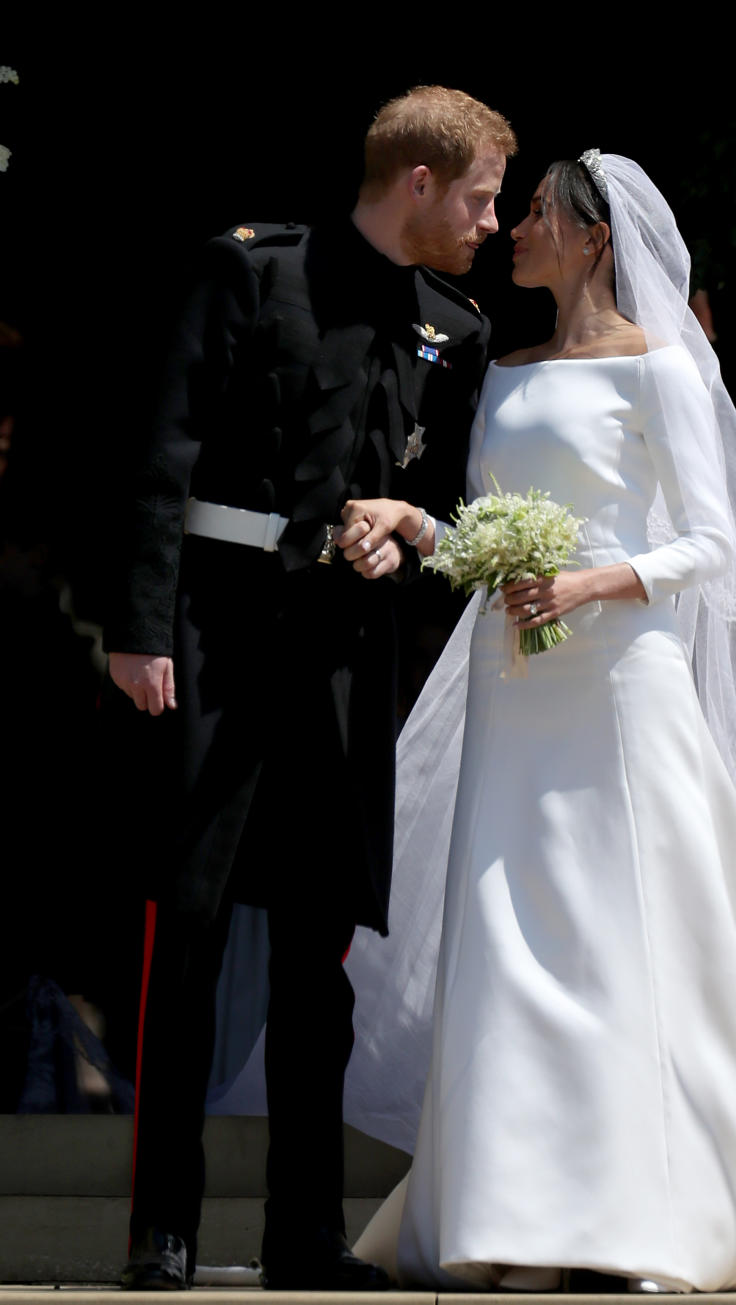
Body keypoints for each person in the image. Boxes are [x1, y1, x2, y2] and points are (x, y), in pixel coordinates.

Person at [335, 153, 736, 1290]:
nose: (514, 230)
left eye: (534, 216)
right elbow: (484, 537)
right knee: (512, 938)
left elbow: (711, 545)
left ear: (592, 237)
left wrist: (585, 585)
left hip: (625, 677)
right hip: (515, 685)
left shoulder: (665, 366)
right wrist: (424, 530)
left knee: (635, 936)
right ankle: (515, 1219)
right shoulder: (503, 367)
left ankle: (658, 1216)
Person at [102, 86, 516, 1291]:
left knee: (314, 959)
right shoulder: (249, 272)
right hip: (214, 638)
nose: (491, 224)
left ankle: (302, 1236)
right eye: (484, 198)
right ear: (423, 184)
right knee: (184, 938)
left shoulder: (455, 324)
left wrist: (406, 535)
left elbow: (433, 492)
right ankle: (162, 1229)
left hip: (345, 658)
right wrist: (137, 628)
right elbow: (160, 450)